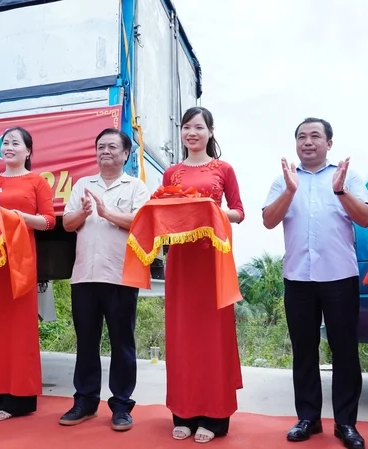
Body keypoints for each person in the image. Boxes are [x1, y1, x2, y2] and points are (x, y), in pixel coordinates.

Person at [262, 117, 368, 449]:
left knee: (344, 351)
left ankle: (346, 423)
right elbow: (268, 220)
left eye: (315, 136)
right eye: (301, 137)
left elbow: (365, 218)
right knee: (304, 350)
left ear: (329, 143)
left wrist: (339, 190)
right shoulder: (284, 180)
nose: (307, 142)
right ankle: (307, 418)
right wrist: (291, 191)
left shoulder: (348, 176)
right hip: (298, 277)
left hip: (339, 275)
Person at [160, 107, 244, 444]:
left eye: (198, 127)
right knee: (182, 337)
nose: (191, 132)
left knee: (213, 338)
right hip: (181, 261)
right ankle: (183, 412)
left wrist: (215, 211)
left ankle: (215, 415)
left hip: (213, 260)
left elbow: (238, 212)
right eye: (186, 127)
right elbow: (163, 214)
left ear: (210, 131)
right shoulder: (172, 172)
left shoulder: (223, 169)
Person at [59, 129, 149, 431]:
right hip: (84, 275)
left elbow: (141, 222)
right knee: (86, 342)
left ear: (126, 154)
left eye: (112, 147)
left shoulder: (136, 187)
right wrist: (84, 212)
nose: (105, 151)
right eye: (100, 147)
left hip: (120, 275)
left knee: (122, 342)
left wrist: (108, 213)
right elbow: (68, 224)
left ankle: (121, 405)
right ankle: (84, 401)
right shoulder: (83, 184)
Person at [0, 127, 55, 421]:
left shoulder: (37, 182)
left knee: (18, 328)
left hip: (20, 259)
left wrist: (18, 217)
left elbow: (48, 221)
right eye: (5, 142)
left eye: (15, 143)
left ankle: (16, 398)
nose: (9, 147)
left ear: (28, 151)